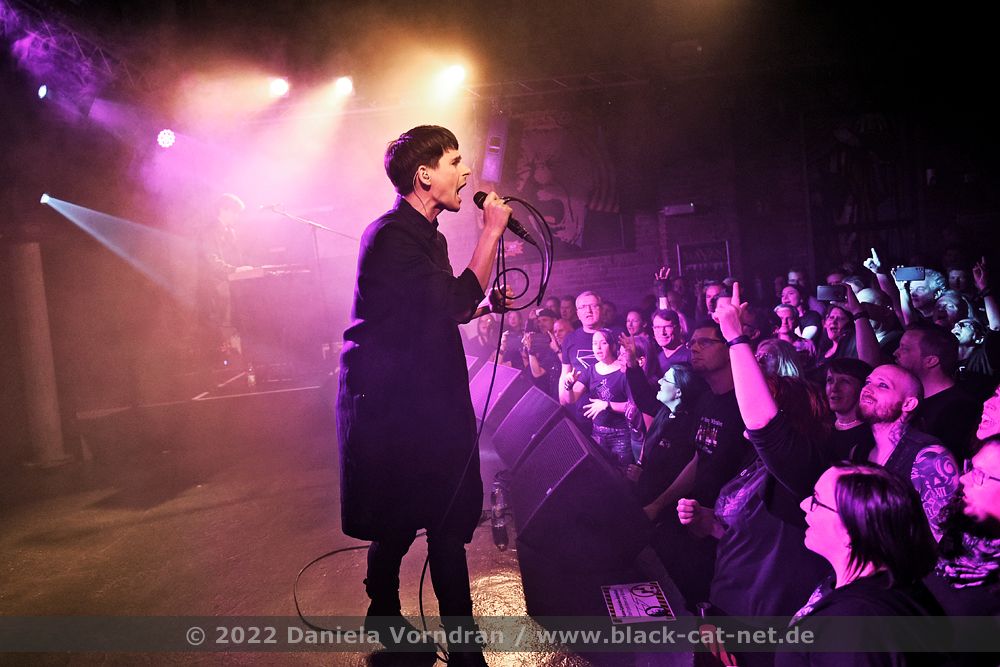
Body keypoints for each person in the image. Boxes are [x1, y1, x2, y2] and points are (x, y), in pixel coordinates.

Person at [336, 125, 511, 665]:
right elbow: (451, 299)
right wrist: (491, 234)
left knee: (444, 518)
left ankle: (460, 644)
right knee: (399, 516)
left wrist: (482, 305)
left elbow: (443, 308)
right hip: (392, 406)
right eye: (455, 161)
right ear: (424, 175)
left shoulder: (429, 238)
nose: (466, 172)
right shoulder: (391, 236)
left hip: (425, 401)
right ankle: (387, 612)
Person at [781, 464, 944, 667]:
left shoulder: (851, 625)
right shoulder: (896, 585)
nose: (804, 504)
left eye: (816, 500)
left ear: (851, 531)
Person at [894, 323, 980, 459]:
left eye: (905, 349)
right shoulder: (912, 398)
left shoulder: (959, 409)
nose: (895, 353)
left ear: (931, 361)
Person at [559, 329, 632, 469]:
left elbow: (633, 406)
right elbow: (571, 399)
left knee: (623, 473)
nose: (598, 347)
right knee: (602, 473)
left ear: (613, 346)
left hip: (622, 434)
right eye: (594, 343)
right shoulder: (590, 371)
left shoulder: (624, 371)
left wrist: (607, 405)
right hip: (598, 433)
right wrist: (568, 386)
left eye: (603, 343)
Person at [195, 193, 253, 364]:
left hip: (230, 285)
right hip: (215, 287)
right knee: (223, 323)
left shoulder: (230, 232)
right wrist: (234, 270)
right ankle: (227, 359)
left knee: (234, 322)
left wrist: (242, 270)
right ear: (223, 209)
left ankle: (237, 357)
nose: (237, 217)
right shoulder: (209, 232)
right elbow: (211, 260)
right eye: (235, 212)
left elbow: (235, 258)